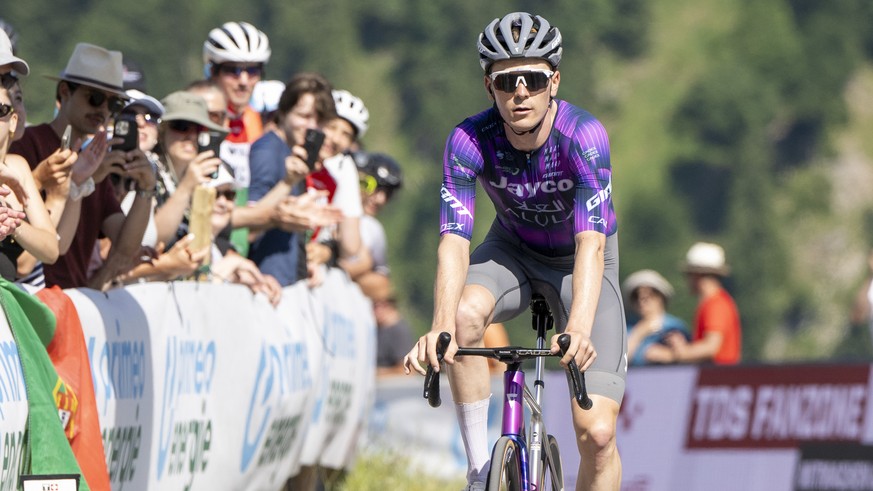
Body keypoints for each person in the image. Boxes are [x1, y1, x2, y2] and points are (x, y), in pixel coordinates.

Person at [402, 12, 625, 491]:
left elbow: (591, 242)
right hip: (512, 251)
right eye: (506, 81)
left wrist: (578, 328)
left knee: (598, 435)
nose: (520, 92)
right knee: (463, 317)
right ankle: (479, 473)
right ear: (490, 87)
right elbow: (454, 240)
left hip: (580, 263)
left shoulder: (583, 136)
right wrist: (440, 326)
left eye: (533, 79)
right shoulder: (468, 140)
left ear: (554, 82)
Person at [10, 43, 155, 290]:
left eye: (114, 104)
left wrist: (146, 187)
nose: (103, 110)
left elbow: (125, 248)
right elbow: (23, 247)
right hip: (32, 294)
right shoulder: (26, 144)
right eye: (95, 98)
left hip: (72, 300)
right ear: (65, 91)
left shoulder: (96, 161)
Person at [246, 72, 343, 287]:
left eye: (320, 120)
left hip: (285, 284)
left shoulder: (293, 153)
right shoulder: (267, 152)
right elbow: (248, 227)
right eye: (304, 116)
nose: (311, 126)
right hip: (264, 283)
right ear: (283, 112)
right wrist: (288, 185)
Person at [203, 21, 271, 255]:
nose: (244, 81)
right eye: (232, 70)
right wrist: (273, 214)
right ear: (212, 71)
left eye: (253, 71)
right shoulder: (193, 124)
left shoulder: (256, 121)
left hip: (242, 248)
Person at [0, 31, 57, 278]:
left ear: (12, 120)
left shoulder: (17, 166)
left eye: (6, 77)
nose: (5, 81)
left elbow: (51, 250)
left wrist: (13, 224)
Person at [665, 242, 741, 364]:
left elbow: (711, 347)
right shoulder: (716, 302)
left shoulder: (715, 304)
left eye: (689, 274)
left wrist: (680, 353)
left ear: (698, 275)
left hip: (718, 374)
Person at [622, 269, 690, 365]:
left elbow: (690, 355)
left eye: (651, 293)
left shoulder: (676, 326)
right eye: (636, 295)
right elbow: (620, 361)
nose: (642, 299)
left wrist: (670, 354)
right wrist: (639, 332)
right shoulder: (626, 328)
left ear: (661, 297)